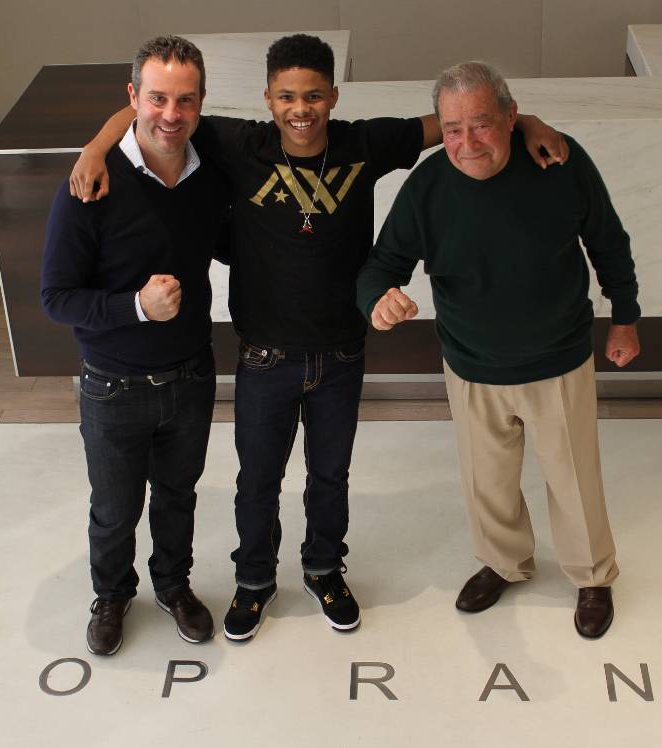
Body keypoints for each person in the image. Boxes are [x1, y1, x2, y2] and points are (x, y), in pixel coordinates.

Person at [68, 34, 570, 642]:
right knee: (258, 482)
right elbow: (153, 110)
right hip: (264, 357)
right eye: (286, 96)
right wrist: (96, 148)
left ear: (333, 95)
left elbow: (457, 120)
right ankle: (254, 580)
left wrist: (528, 122)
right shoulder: (238, 143)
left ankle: (324, 570)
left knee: (330, 478)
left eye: (312, 95)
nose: (299, 108)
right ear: (268, 98)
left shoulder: (364, 144)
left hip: (341, 355)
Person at [355, 61, 641, 639]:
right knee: (487, 481)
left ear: (512, 117)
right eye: (452, 129)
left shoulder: (559, 162)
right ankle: (504, 563)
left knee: (575, 480)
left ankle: (591, 575)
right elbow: (382, 263)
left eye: (481, 124)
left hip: (558, 358)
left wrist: (625, 318)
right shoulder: (428, 187)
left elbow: (608, 242)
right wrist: (376, 300)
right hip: (471, 365)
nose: (467, 143)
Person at [41, 36, 230, 654]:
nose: (171, 114)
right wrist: (136, 307)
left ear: (202, 101)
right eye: (157, 98)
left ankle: (173, 586)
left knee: (178, 497)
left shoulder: (210, 169)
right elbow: (56, 297)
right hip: (112, 386)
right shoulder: (89, 185)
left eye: (185, 100)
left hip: (191, 377)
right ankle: (112, 594)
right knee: (115, 509)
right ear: (133, 97)